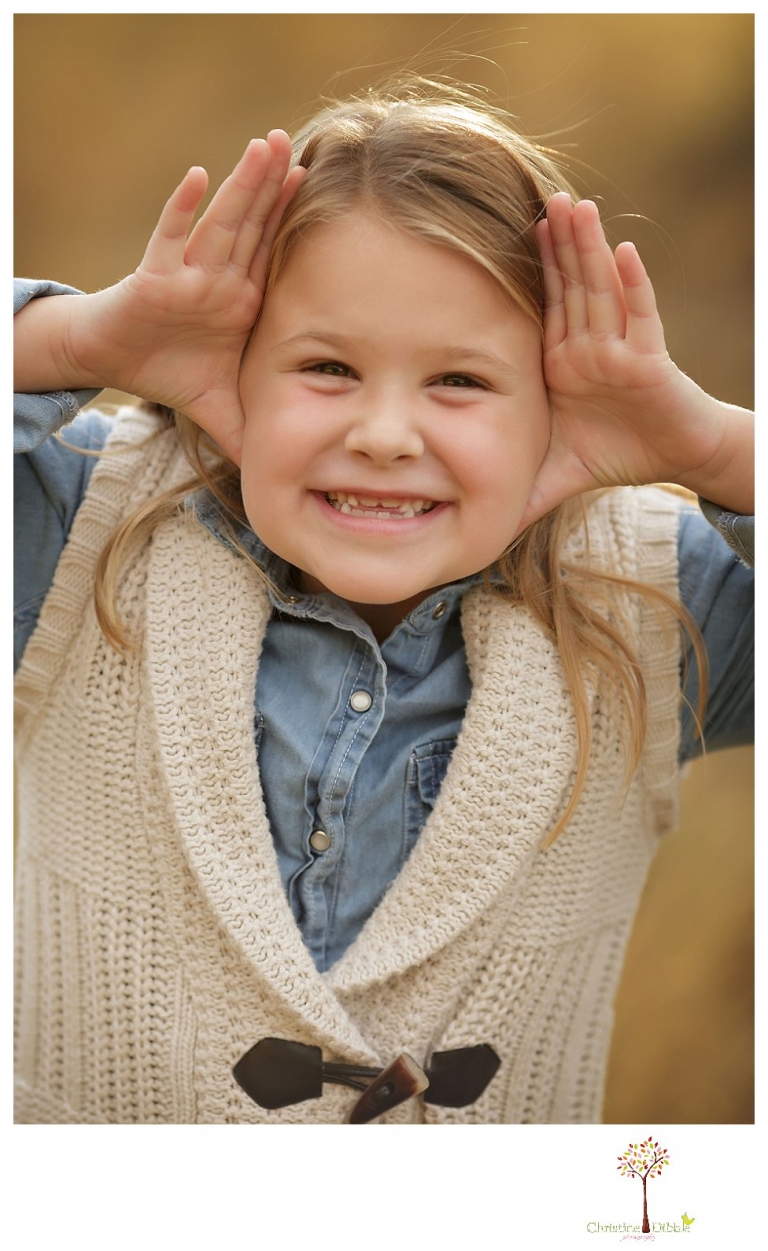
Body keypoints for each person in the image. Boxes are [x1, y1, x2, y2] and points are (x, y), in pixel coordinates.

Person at [14, 81, 753, 1124]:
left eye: (459, 381)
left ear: (556, 397)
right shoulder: (82, 523)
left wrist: (714, 446)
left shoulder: (650, 596)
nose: (387, 434)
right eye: (326, 367)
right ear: (235, 364)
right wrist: (78, 342)